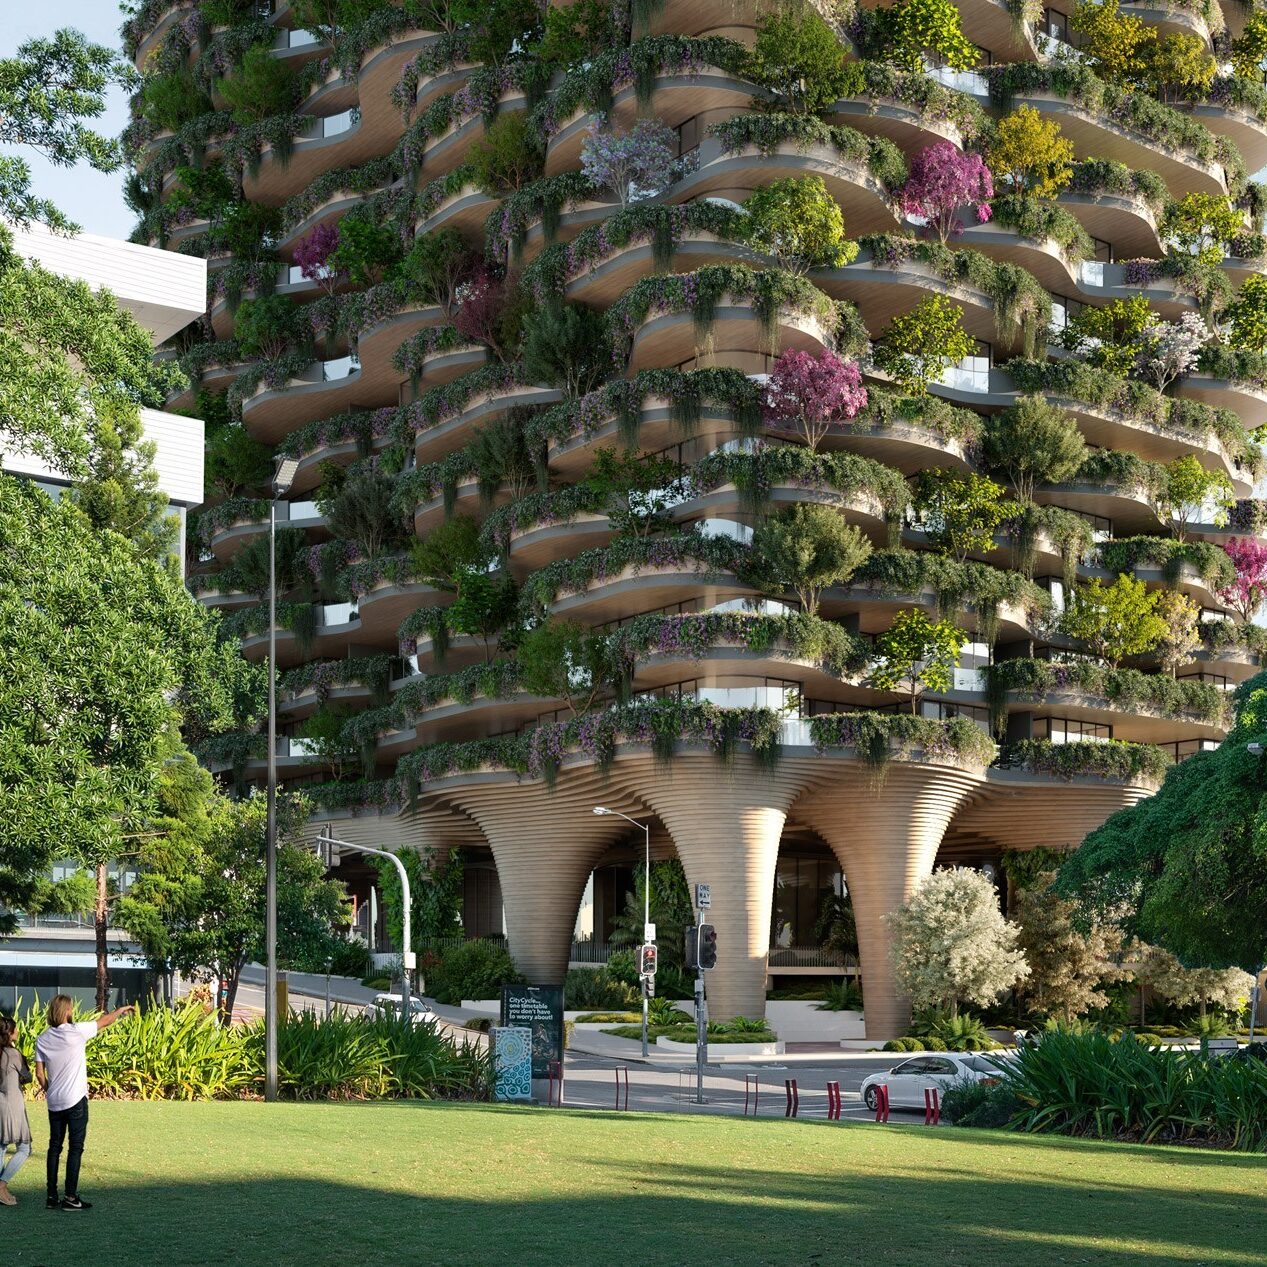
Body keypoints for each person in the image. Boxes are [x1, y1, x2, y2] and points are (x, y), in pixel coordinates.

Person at [34, 996, 134, 1212]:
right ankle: (70, 1197)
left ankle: (51, 1196)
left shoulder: (42, 1040)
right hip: (76, 1099)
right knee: (75, 1148)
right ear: (67, 1010)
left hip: (54, 1101)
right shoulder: (77, 1031)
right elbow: (105, 1021)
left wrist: (50, 1090)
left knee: (54, 1147)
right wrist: (122, 1010)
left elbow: (40, 1075)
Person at [0, 1017, 32, 1207]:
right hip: (13, 1103)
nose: (18, 1031)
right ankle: (1, 1185)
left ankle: (2, 1191)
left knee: (1, 1147)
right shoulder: (13, 1054)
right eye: (16, 1028)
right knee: (24, 1148)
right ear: (9, 1033)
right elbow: (27, 1077)